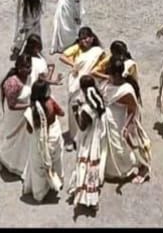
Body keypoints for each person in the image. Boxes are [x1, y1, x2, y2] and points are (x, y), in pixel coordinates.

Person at [102, 59, 151, 184]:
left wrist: (127, 127)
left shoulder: (127, 90)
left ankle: (142, 167)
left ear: (117, 75)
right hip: (110, 122)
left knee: (123, 149)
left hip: (120, 122)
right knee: (112, 149)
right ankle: (115, 171)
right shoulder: (110, 83)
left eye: (110, 75)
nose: (109, 77)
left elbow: (133, 110)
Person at [59, 27, 105, 147]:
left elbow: (103, 64)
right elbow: (62, 56)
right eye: (82, 39)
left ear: (92, 38)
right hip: (77, 82)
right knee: (74, 108)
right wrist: (74, 64)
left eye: (87, 38)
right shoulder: (77, 48)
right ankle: (74, 137)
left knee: (91, 107)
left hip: (91, 82)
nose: (85, 41)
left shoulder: (97, 51)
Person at [67, 76, 107, 213]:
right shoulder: (98, 102)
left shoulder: (86, 109)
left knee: (84, 166)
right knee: (93, 167)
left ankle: (84, 196)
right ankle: (92, 197)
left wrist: (75, 111)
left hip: (87, 141)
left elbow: (82, 126)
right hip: (96, 139)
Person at [21, 79, 65, 202]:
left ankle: (39, 193)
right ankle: (55, 182)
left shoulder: (31, 110)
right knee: (55, 160)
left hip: (38, 141)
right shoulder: (51, 102)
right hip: (53, 137)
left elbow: (29, 130)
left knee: (38, 167)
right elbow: (62, 113)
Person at [0, 54, 33, 177]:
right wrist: (29, 105)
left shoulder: (28, 77)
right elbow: (12, 105)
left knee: (24, 141)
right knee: (13, 139)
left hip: (25, 114)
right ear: (19, 67)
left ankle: (20, 165)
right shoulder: (12, 83)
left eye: (29, 66)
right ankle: (0, 156)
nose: (28, 69)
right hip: (15, 117)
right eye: (25, 67)